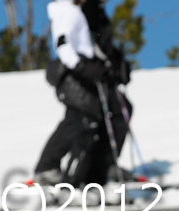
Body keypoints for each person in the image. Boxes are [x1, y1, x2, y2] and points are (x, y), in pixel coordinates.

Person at [35, 0, 131, 188]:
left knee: (90, 118)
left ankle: (96, 170)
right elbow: (62, 43)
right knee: (79, 119)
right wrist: (81, 65)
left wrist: (114, 64)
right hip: (75, 73)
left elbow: (97, 42)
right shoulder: (71, 11)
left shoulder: (78, 11)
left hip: (84, 70)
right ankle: (48, 168)